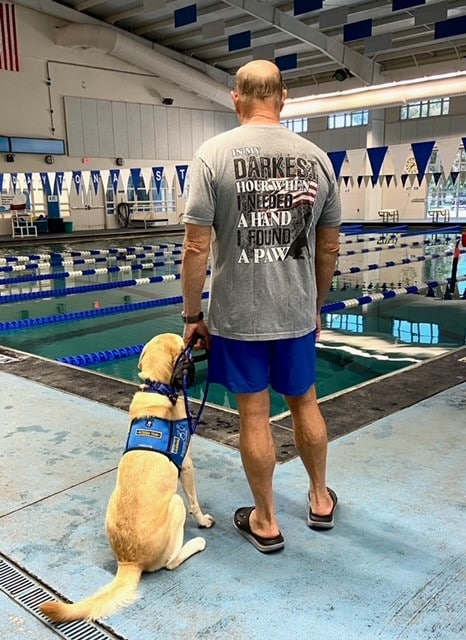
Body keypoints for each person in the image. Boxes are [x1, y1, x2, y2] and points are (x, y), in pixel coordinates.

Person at [180, 60, 341, 553]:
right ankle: (319, 499)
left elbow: (195, 248)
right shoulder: (317, 158)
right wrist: (313, 306)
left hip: (238, 316)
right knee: (305, 401)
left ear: (236, 98)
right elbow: (330, 248)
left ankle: (266, 521)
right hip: (294, 313)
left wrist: (191, 316)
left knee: (254, 415)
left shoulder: (212, 155)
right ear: (284, 97)